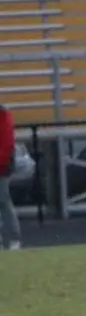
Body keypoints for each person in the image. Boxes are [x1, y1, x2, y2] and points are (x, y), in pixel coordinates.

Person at [0, 104, 22, 250]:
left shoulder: (3, 115)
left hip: (1, 166)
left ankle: (14, 238)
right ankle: (13, 239)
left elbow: (7, 143)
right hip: (2, 163)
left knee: (3, 200)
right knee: (4, 201)